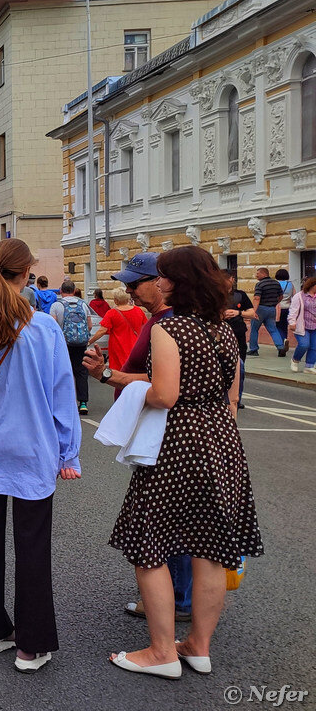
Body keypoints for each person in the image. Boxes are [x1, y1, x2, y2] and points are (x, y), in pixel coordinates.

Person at [108, 246, 263, 678]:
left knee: (149, 543)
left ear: (176, 282)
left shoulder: (170, 328)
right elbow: (232, 399)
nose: (158, 283)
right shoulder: (222, 331)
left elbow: (164, 394)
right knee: (210, 549)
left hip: (179, 444)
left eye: (163, 277)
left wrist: (129, 387)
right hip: (223, 442)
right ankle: (198, 646)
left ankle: (161, 652)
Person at [0, 238, 82, 673]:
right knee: (32, 544)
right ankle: (32, 642)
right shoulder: (43, 328)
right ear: (27, 274)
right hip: (35, 448)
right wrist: (69, 452)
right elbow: (61, 395)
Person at [82, 252, 194, 624]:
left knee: (164, 521)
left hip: (165, 432)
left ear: (163, 281)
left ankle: (175, 599)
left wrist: (107, 375)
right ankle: (177, 596)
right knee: (177, 519)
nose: (130, 290)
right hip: (166, 430)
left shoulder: (170, 324)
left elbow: (161, 386)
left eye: (136, 283)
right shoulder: (166, 320)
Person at [49, 280, 92, 415]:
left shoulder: (56, 305)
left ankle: (65, 403)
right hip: (81, 343)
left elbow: (53, 326)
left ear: (61, 291)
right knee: (81, 372)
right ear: (74, 290)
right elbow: (89, 325)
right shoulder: (83, 304)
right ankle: (83, 403)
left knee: (62, 371)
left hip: (64, 344)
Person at [87, 287, 145, 371]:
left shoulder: (112, 313)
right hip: (136, 346)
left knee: (120, 374)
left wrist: (90, 341)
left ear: (117, 300)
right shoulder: (139, 311)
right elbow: (145, 327)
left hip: (118, 348)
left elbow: (102, 330)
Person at [224, 272, 254, 404]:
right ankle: (224, 396)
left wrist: (238, 312)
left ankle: (237, 399)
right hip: (220, 336)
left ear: (232, 279)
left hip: (238, 334)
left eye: (226, 279)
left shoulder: (240, 295)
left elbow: (252, 313)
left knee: (239, 369)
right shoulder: (213, 294)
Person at [248, 266, 287, 357]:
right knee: (273, 329)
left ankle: (254, 349)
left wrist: (254, 311)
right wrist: (274, 303)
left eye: (258, 274)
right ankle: (280, 347)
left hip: (260, 309)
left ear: (263, 273)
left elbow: (257, 298)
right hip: (271, 309)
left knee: (254, 329)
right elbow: (281, 296)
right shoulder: (276, 283)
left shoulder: (260, 284)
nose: (256, 276)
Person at [287, 274, 316, 373]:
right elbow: (293, 310)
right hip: (302, 325)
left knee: (314, 346)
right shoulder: (299, 296)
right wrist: (292, 322)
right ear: (312, 285)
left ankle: (309, 366)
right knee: (304, 344)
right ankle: (295, 360)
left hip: (314, 325)